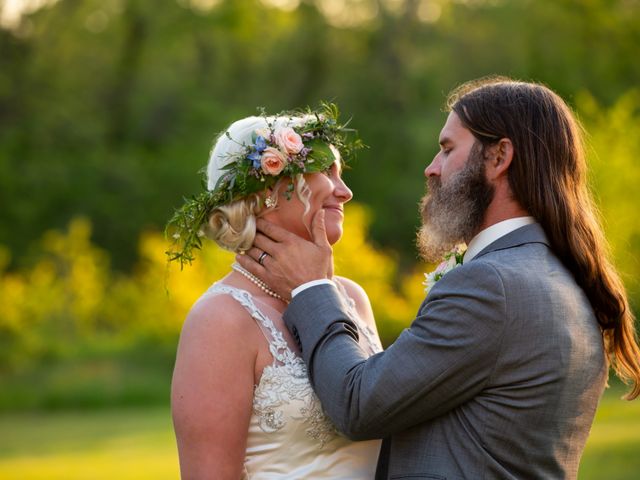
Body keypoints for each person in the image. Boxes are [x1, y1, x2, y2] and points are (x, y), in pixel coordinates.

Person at [236, 77, 640, 479]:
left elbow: (358, 406)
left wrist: (312, 287)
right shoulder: (564, 278)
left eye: (447, 150)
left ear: (498, 157)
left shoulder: (491, 287)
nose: (431, 169)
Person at [167, 104, 383, 479]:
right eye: (326, 172)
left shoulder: (352, 299)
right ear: (270, 189)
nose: (345, 192)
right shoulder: (221, 321)